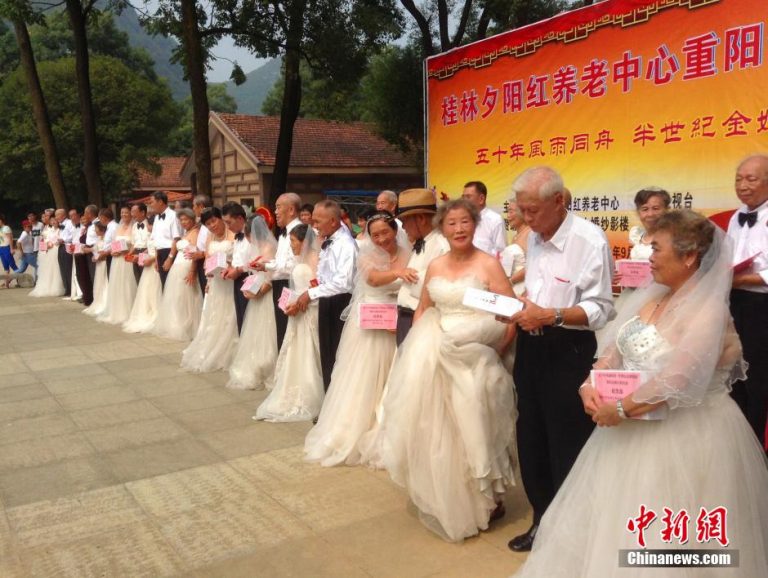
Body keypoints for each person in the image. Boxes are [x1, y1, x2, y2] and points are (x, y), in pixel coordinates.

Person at [514, 210, 768, 577]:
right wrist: (589, 385)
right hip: (629, 430)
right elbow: (615, 350)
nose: (649, 257)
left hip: (688, 438)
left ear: (689, 256)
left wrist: (619, 408)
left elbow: (679, 379)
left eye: (657, 249)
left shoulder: (709, 312)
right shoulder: (654, 300)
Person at [371, 199, 517, 542]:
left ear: (475, 224)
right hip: (436, 351)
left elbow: (510, 311)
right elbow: (424, 308)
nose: (459, 229)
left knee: (475, 424)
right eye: (452, 223)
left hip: (477, 354)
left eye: (465, 222)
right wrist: (416, 348)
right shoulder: (435, 265)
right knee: (437, 426)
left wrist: (498, 349)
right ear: (442, 228)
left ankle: (486, 497)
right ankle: (447, 494)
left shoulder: (489, 264)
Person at [507, 166, 615, 553]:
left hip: (568, 348)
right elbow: (540, 290)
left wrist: (550, 315)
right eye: (521, 210)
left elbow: (601, 308)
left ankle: (572, 531)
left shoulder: (588, 240)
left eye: (533, 210)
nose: (527, 219)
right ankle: (542, 519)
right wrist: (519, 309)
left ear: (558, 201)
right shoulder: (535, 238)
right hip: (531, 345)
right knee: (531, 436)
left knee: (567, 440)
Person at [304, 210, 411, 466]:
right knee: (365, 376)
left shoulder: (409, 253)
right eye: (375, 235)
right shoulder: (365, 253)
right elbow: (372, 279)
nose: (381, 239)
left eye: (385, 232)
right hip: (372, 322)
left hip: (398, 320)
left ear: (395, 230)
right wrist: (399, 274)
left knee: (394, 376)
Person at [254, 224, 323, 422]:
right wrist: (289, 301)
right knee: (296, 350)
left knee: (311, 351)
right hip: (297, 311)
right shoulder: (299, 259)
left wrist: (301, 303)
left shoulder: (316, 259)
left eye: (293, 241)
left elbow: (318, 287)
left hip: (310, 310)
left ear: (305, 241)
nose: (291, 245)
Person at [289, 199, 357, 391]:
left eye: (317, 221)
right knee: (326, 354)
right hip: (327, 300)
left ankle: (336, 397)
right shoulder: (329, 240)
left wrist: (310, 293)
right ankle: (329, 397)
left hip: (340, 304)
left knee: (336, 355)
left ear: (333, 221)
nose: (314, 226)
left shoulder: (345, 244)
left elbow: (343, 283)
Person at [727, 154, 768, 447]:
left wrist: (743, 279)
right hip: (733, 303)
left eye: (751, 179)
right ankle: (734, 447)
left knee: (757, 380)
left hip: (762, 309)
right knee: (732, 376)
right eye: (739, 179)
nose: (743, 185)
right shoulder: (736, 216)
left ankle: (753, 452)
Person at [180, 207, 238, 372]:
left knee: (230, 315)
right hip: (217, 282)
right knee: (214, 316)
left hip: (231, 279)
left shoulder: (233, 234)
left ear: (221, 219)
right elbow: (208, 259)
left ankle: (231, 350)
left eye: (214, 221)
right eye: (208, 224)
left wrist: (229, 265)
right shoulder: (210, 237)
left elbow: (240, 256)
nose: (212, 226)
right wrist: (209, 280)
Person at [227, 215, 278, 390]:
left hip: (266, 293)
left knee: (267, 330)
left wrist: (260, 292)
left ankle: (268, 366)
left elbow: (271, 276)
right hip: (256, 292)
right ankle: (256, 364)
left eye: (248, 236)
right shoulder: (256, 248)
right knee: (255, 331)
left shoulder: (270, 248)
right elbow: (251, 270)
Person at [394, 188, 449, 345]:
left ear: (421, 219)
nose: (403, 227)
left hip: (421, 320)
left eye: (405, 221)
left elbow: (437, 290)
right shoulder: (421, 242)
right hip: (406, 316)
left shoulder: (441, 246)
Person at [253, 192, 302, 350]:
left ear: (291, 210)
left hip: (291, 284)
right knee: (281, 329)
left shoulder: (300, 232)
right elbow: (282, 261)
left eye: (278, 207)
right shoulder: (284, 233)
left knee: (289, 330)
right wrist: (266, 264)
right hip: (280, 283)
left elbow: (294, 265)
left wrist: (268, 266)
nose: (275, 212)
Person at [152, 209, 203, 341]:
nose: (183, 222)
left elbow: (194, 255)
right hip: (178, 265)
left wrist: (192, 271)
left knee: (186, 297)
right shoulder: (186, 233)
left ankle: (188, 326)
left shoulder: (196, 233)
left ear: (192, 219)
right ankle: (178, 323)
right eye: (181, 220)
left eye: (186, 219)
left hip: (186, 266)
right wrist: (170, 258)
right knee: (177, 297)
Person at [98, 206, 137, 325]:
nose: (124, 214)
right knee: (117, 284)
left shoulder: (134, 227)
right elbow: (113, 243)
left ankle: (129, 310)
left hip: (127, 258)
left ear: (131, 214)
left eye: (126, 212)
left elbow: (135, 244)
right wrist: (113, 251)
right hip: (117, 260)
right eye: (122, 212)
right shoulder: (118, 227)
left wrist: (127, 252)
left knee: (128, 283)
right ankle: (117, 310)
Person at [123, 218, 162, 334]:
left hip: (155, 264)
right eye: (149, 225)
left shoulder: (159, 236)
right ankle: (146, 311)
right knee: (145, 290)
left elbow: (158, 252)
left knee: (154, 290)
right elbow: (149, 249)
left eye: (150, 225)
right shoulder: (150, 235)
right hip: (147, 265)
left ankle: (156, 313)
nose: (148, 227)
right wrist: (140, 256)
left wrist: (151, 259)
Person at [221, 202, 250, 334]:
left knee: (248, 316)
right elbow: (238, 259)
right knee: (240, 314)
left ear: (240, 218)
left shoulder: (251, 234)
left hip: (249, 278)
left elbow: (257, 259)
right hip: (237, 277)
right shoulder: (237, 236)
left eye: (229, 222)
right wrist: (230, 268)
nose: (228, 227)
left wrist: (238, 270)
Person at [462, 180, 506, 257]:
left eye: (468, 197)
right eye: (463, 197)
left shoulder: (495, 220)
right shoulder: (462, 220)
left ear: (481, 199)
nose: (464, 201)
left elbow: (501, 253)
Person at [627, 187, 671, 260]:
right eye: (645, 209)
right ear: (638, 212)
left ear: (667, 210)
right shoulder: (637, 236)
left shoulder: (674, 238)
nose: (650, 214)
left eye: (656, 208)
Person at [149, 191, 181, 289]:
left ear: (160, 202)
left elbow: (176, 238)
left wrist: (170, 258)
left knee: (172, 286)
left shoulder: (173, 216)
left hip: (170, 252)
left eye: (152, 202)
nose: (151, 205)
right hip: (160, 253)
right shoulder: (156, 218)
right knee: (164, 285)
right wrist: (156, 259)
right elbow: (156, 240)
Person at [29, 211, 65, 297]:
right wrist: (46, 245)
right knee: (47, 269)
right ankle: (46, 286)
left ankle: (57, 287)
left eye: (55, 220)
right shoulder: (47, 229)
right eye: (52, 220)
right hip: (47, 250)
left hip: (55, 249)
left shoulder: (60, 229)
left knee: (56, 269)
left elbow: (60, 239)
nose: (53, 222)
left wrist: (52, 243)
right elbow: (43, 239)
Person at [499, 199, 528, 296]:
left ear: (523, 212)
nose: (508, 216)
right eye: (507, 212)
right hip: (512, 287)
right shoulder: (515, 236)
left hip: (523, 289)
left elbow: (532, 266)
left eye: (511, 212)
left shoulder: (530, 234)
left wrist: (511, 281)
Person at [83, 222, 109, 316]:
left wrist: (99, 256)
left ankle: (106, 302)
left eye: (96, 229)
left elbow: (106, 251)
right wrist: (91, 253)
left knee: (105, 281)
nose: (95, 231)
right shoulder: (99, 238)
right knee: (99, 282)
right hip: (99, 264)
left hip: (104, 263)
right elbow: (95, 249)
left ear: (102, 229)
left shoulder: (107, 239)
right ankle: (98, 300)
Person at [74, 206, 98, 306]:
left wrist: (91, 249)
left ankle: (95, 298)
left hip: (94, 252)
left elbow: (99, 240)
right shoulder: (89, 226)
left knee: (95, 277)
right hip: (86, 252)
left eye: (85, 213)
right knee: (89, 276)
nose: (84, 216)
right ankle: (89, 297)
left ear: (89, 214)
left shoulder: (97, 224)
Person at [127, 203, 150, 285]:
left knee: (145, 278)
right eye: (131, 212)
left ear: (142, 212)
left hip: (146, 252)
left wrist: (142, 255)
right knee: (137, 277)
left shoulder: (150, 224)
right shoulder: (134, 226)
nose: (132, 214)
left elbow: (152, 243)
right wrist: (129, 254)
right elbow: (134, 243)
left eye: (134, 212)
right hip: (136, 252)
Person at [54, 208, 73, 297]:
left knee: (68, 268)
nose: (56, 217)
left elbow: (72, 235)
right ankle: (67, 288)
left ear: (64, 215)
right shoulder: (60, 224)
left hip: (67, 246)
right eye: (56, 215)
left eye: (58, 215)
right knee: (62, 268)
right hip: (61, 247)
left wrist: (64, 240)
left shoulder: (69, 223)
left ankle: (71, 288)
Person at [0, 214, 16, 280]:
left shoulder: (6, 228)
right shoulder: (0, 229)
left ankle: (20, 279)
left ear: (1, 220)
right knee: (5, 266)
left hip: (7, 247)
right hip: (1, 248)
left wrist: (11, 249)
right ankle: (7, 282)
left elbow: (10, 238)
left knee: (12, 264)